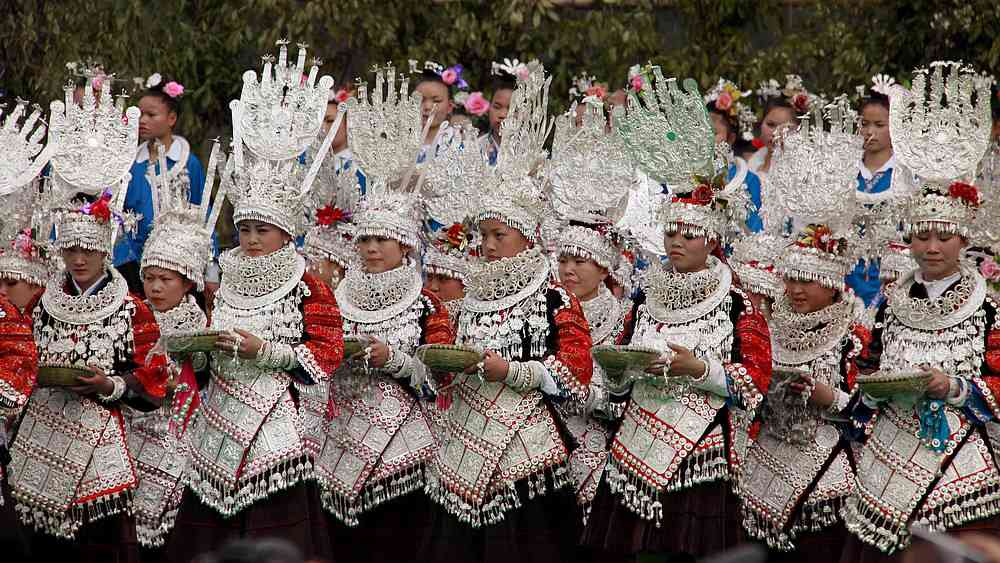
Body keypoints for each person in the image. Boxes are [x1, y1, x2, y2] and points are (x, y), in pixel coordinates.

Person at [583, 67, 771, 561]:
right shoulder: (646, 292)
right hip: (638, 438)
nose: (678, 243)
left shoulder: (736, 299)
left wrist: (701, 369)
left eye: (689, 234)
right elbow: (620, 364)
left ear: (711, 238)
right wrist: (620, 372)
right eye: (671, 234)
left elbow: (755, 380)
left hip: (702, 446)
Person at [166, 42, 344, 563]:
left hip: (274, 418)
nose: (249, 238)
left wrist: (266, 352)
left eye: (261, 229)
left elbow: (326, 354)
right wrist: (196, 350)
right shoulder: (227, 278)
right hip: (218, 414)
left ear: (285, 232)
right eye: (243, 228)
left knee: (279, 531)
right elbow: (205, 350)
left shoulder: (306, 283)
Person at [418, 62, 593, 563]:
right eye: (483, 236)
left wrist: (511, 371)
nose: (488, 247)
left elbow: (576, 371)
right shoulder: (469, 297)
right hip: (464, 445)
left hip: (525, 450)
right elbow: (449, 366)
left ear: (529, 237)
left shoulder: (554, 296)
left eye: (499, 236)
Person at [840, 62, 1000, 563]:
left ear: (964, 239)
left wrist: (953, 388)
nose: (931, 248)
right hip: (888, 456)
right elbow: (864, 372)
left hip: (962, 460)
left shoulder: (987, 307)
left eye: (943, 237)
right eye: (921, 236)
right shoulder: (889, 303)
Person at [6, 77, 168, 563]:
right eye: (70, 249)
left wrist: (111, 385)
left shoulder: (131, 307)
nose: (78, 260)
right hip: (42, 432)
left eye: (88, 250)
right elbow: (21, 360)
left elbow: (155, 380)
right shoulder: (40, 304)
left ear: (106, 250)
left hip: (101, 438)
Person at [312, 66, 454, 563]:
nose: (371, 249)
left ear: (405, 245)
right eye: (364, 239)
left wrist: (394, 360)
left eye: (382, 240)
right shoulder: (334, 298)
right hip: (340, 436)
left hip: (404, 444)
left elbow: (438, 380)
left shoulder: (425, 303)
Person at [736, 103, 870, 560]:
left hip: (828, 471)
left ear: (832, 282)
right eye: (789, 279)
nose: (794, 290)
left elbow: (873, 411)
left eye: (807, 281)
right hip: (762, 466)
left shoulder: (856, 334)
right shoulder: (766, 328)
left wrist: (827, 398)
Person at [129, 143, 222, 553]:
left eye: (166, 279)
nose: (155, 287)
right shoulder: (131, 315)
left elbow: (205, 377)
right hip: (134, 425)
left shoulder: (199, 323)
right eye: (149, 277)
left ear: (188, 283)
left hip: (182, 430)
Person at [115, 73, 205, 293]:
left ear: (171, 119)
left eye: (151, 114)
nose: (142, 120)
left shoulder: (187, 163)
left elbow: (202, 211)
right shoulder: (128, 165)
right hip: (131, 264)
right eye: (140, 114)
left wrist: (209, 268)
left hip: (176, 264)